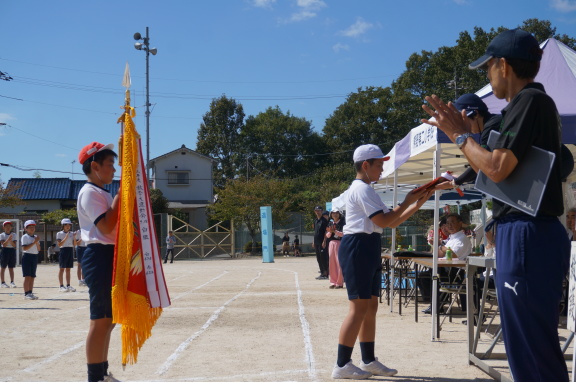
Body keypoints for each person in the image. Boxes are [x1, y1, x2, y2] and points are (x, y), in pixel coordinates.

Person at [422, 29, 570, 381]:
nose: (488, 76)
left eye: (487, 68)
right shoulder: (526, 106)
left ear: (502, 65)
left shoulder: (529, 101)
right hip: (524, 232)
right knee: (526, 346)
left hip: (526, 232)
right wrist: (468, 139)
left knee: (532, 348)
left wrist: (461, 137)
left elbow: (497, 168)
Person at [332, 144, 432, 379]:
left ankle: (367, 360)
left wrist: (416, 203)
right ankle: (342, 364)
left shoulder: (367, 188)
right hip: (358, 246)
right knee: (358, 308)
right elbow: (386, 221)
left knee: (370, 306)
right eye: (379, 164)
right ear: (365, 165)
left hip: (367, 245)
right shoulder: (362, 190)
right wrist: (407, 200)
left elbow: (391, 221)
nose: (382, 168)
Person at [76, 141, 121, 382]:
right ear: (95, 166)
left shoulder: (101, 191)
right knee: (100, 320)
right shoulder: (90, 192)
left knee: (109, 320)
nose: (114, 170)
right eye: (110, 165)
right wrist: (120, 196)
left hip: (108, 255)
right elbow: (105, 226)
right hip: (99, 254)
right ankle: (94, 377)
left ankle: (102, 372)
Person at [418, 214, 472, 313]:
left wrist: (440, 245)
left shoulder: (462, 239)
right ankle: (435, 303)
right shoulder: (452, 238)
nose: (450, 225)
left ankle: (438, 304)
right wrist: (436, 245)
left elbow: (453, 255)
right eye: (448, 223)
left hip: (457, 272)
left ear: (460, 223)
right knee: (424, 275)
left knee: (430, 276)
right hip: (447, 269)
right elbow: (441, 253)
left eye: (453, 222)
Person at [21, 220, 40, 300]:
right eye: (30, 227)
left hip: (34, 256)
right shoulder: (24, 237)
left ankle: (30, 292)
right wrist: (34, 242)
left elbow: (39, 249)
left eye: (33, 227)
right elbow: (25, 248)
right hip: (27, 257)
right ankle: (26, 294)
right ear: (26, 228)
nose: (32, 228)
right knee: (27, 276)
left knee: (32, 276)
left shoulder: (35, 237)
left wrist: (36, 242)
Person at [326, 208, 345, 289]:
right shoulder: (330, 223)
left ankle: (339, 282)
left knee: (339, 263)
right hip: (331, 243)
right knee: (332, 263)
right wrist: (330, 231)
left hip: (339, 243)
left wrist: (335, 231)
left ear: (339, 214)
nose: (335, 214)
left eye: (337, 213)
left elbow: (343, 234)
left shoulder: (342, 223)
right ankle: (333, 281)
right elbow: (327, 235)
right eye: (333, 213)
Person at [57, 218, 76, 292]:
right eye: (66, 225)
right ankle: (61, 285)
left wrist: (74, 237)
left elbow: (75, 244)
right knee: (62, 269)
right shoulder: (59, 233)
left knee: (68, 269)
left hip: (70, 250)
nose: (68, 226)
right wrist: (66, 237)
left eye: (69, 225)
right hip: (63, 250)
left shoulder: (72, 233)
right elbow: (59, 244)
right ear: (63, 225)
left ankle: (68, 285)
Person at [313, 206, 328, 279]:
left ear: (322, 211)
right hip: (316, 242)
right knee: (318, 258)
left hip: (322, 242)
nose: (317, 212)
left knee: (323, 258)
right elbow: (315, 232)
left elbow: (326, 232)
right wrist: (313, 241)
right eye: (316, 210)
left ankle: (325, 273)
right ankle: (322, 272)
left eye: (319, 210)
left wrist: (324, 241)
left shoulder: (324, 221)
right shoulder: (315, 220)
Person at [0, 221, 17, 288]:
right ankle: (3, 282)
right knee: (3, 267)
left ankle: (12, 282)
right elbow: (3, 245)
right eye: (6, 226)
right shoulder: (1, 235)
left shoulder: (14, 234)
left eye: (9, 226)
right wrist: (9, 239)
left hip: (12, 250)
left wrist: (10, 240)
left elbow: (14, 245)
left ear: (11, 227)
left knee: (11, 267)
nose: (8, 227)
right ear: (3, 227)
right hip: (5, 251)